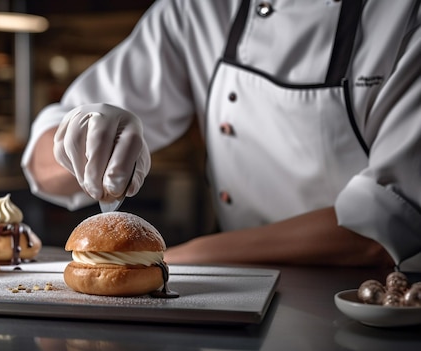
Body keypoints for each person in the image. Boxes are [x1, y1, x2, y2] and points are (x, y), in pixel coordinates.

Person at [21, 0, 421, 270]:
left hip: (373, 301)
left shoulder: (405, 15)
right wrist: (76, 143)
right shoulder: (196, 9)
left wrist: (159, 261)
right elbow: (40, 164)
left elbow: (381, 225)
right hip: (237, 301)